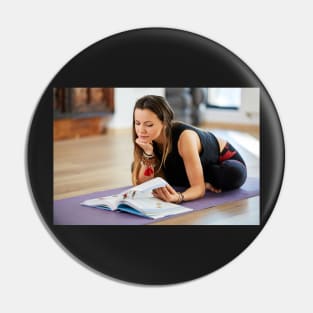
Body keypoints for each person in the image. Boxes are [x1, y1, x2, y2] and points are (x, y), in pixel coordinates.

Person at [131, 95, 247, 203]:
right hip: (189, 165)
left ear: (165, 123)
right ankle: (199, 178)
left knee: (232, 173)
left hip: (222, 161)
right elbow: (144, 183)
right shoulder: (148, 140)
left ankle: (202, 178)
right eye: (137, 123)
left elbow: (198, 189)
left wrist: (179, 197)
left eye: (149, 125)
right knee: (138, 167)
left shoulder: (185, 137)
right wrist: (148, 153)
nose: (141, 130)